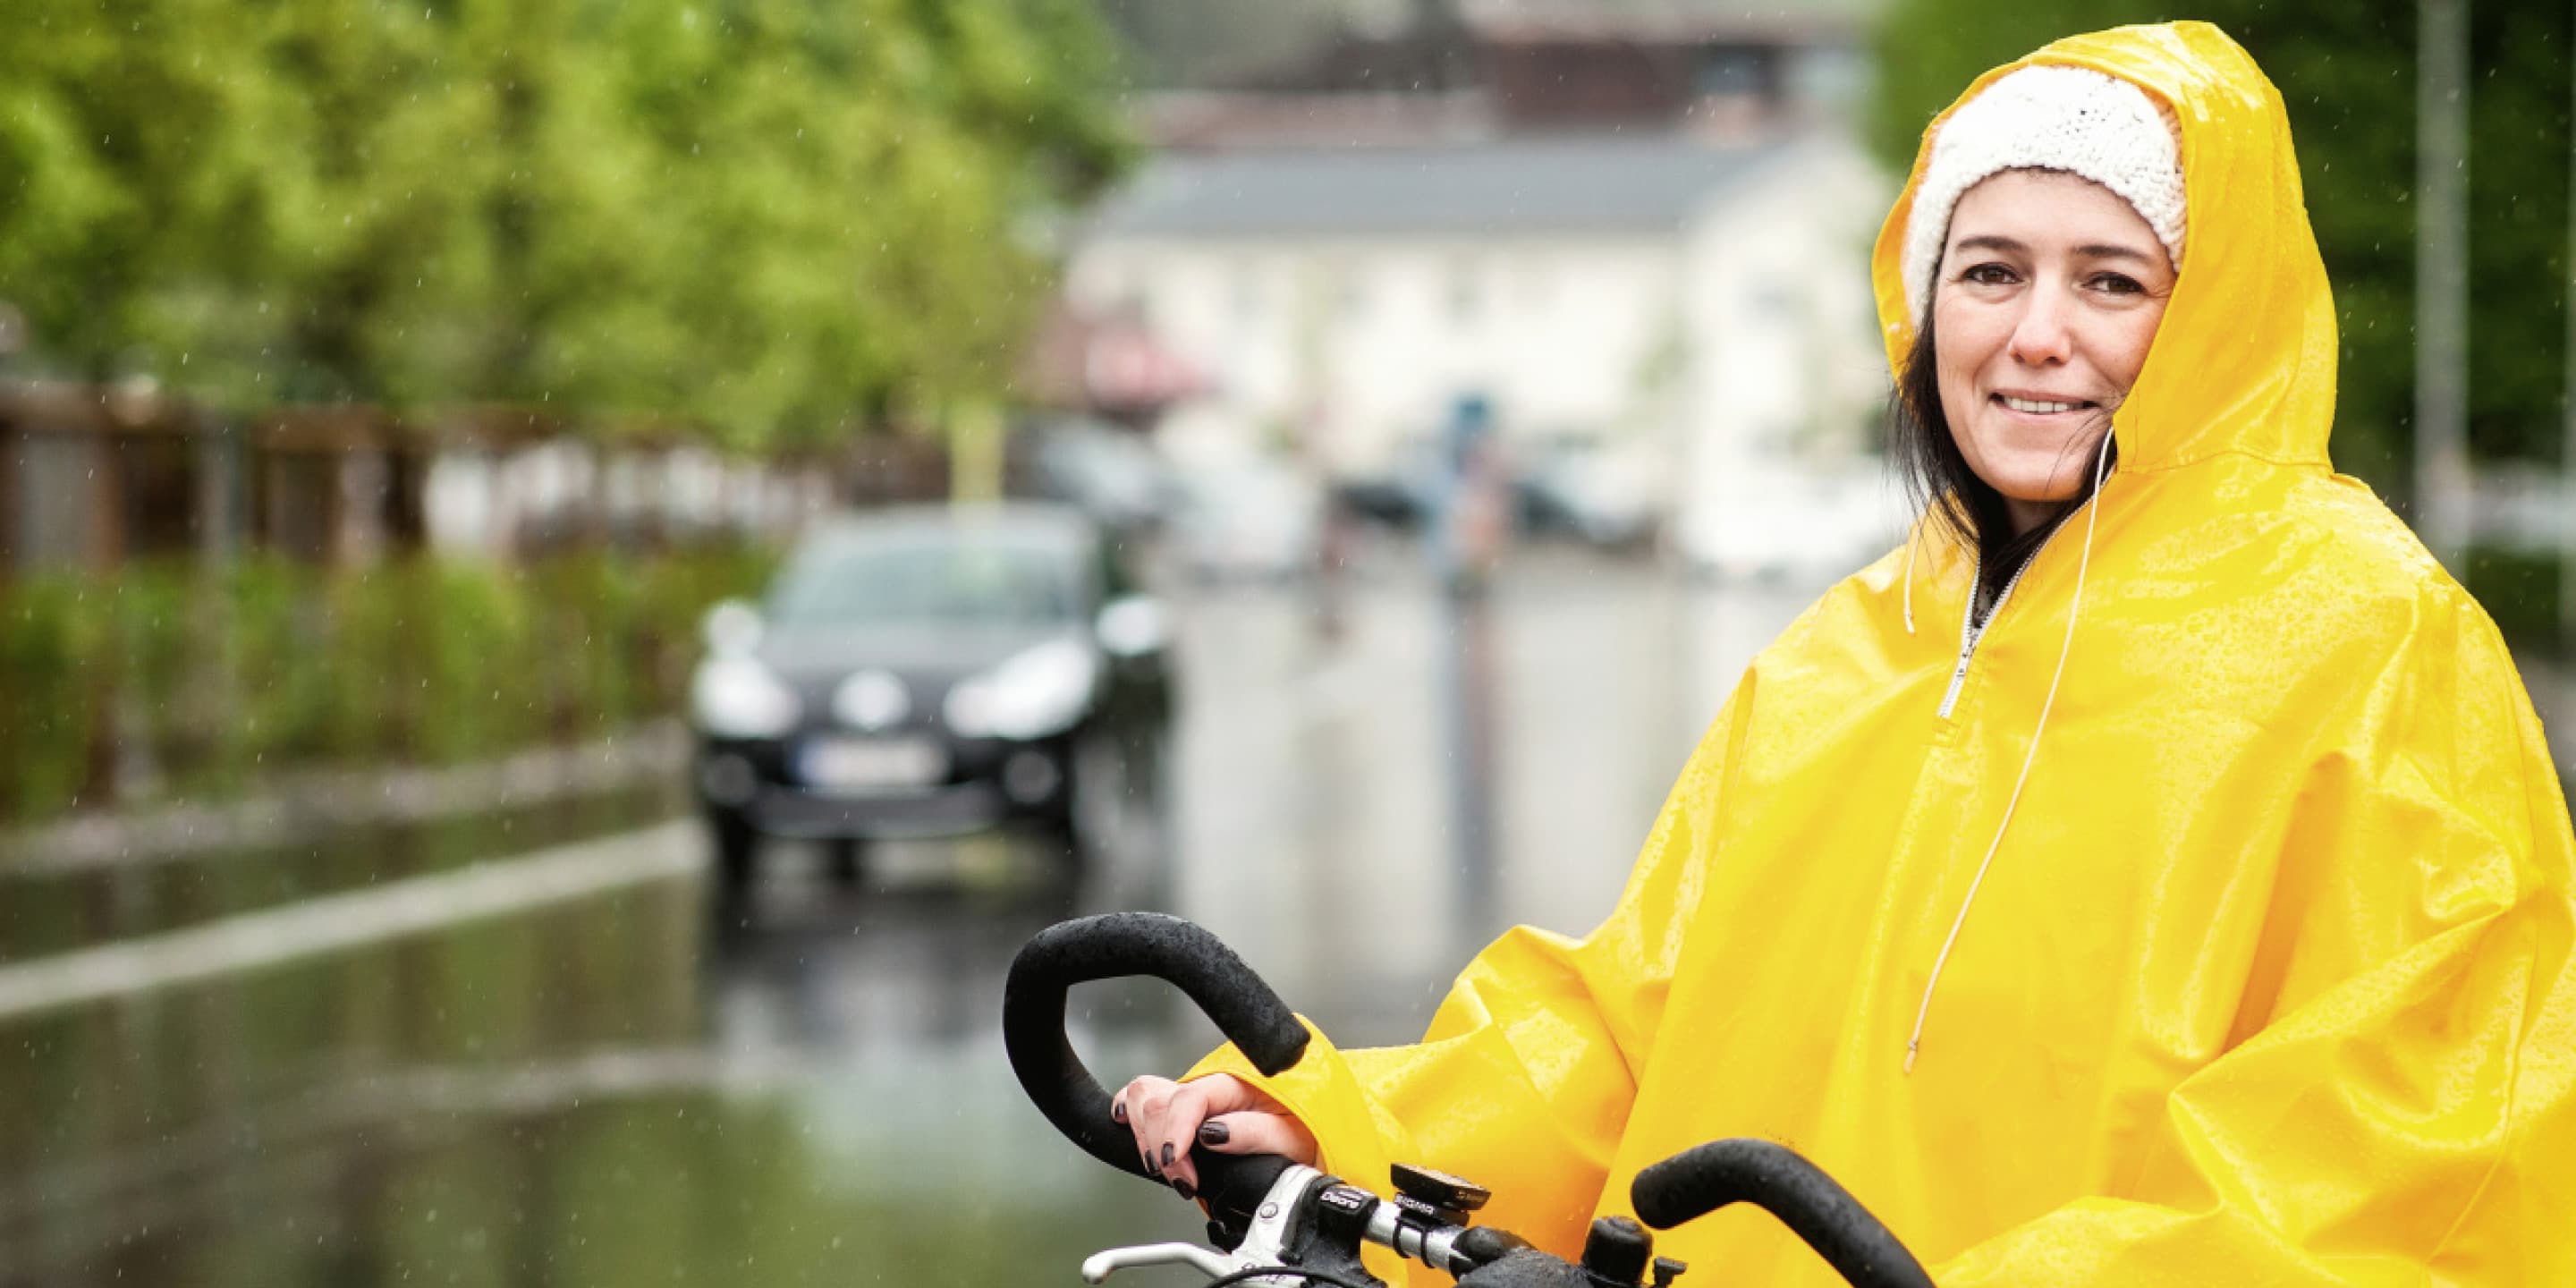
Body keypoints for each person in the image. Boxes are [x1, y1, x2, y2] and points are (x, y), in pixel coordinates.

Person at [1110, 22, 2576, 1285]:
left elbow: (2412, 1142)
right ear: (1925, 308)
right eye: (1990, 271)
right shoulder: (1845, 654)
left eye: (2112, 283)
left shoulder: (2375, 642)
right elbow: (1631, 1034)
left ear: (2212, 322)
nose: (2039, 334)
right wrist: (1346, 1132)